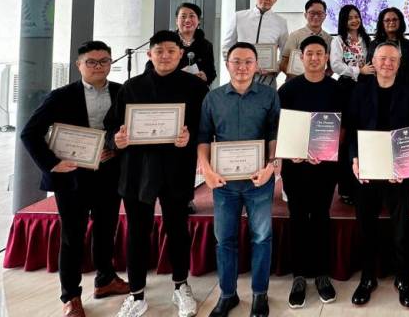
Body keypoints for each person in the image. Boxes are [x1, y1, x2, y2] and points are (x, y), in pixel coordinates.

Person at [21, 41, 129, 317]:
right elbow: (30, 133)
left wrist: (116, 148)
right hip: (72, 177)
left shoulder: (121, 92)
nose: (98, 66)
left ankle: (105, 280)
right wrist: (52, 164)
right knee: (72, 236)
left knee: (107, 230)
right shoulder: (61, 96)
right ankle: (70, 296)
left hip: (108, 174)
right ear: (78, 65)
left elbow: (129, 130)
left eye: (104, 61)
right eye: (91, 62)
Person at [107, 30, 208, 317]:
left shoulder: (195, 87)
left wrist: (190, 138)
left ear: (180, 54)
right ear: (149, 54)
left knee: (177, 228)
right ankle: (137, 294)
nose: (165, 56)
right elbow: (112, 126)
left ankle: (181, 286)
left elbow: (205, 127)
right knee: (137, 232)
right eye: (159, 51)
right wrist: (118, 138)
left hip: (176, 167)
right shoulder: (131, 87)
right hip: (137, 170)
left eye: (171, 51)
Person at [197, 42, 281, 317]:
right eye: (236, 61)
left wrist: (271, 166)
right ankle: (227, 294)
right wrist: (206, 169)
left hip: (259, 181)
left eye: (248, 61)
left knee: (261, 238)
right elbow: (203, 137)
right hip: (224, 183)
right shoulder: (213, 98)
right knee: (225, 240)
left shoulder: (269, 96)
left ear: (256, 66)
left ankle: (260, 294)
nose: (242, 67)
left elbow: (273, 135)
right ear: (227, 64)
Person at [347, 42, 409, 308]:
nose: (387, 63)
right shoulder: (360, 90)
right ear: (373, 62)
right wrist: (354, 158)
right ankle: (368, 278)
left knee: (400, 229)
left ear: (399, 64)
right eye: (382, 59)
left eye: (393, 59)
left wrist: (408, 165)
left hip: (400, 172)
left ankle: (403, 279)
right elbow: (352, 128)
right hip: (367, 169)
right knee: (366, 226)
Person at [277, 36, 344, 308]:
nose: (314, 58)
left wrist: (328, 149)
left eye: (319, 53)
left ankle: (322, 274)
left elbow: (344, 127)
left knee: (321, 216)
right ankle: (299, 276)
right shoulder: (287, 90)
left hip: (325, 166)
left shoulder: (337, 89)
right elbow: (279, 127)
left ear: (327, 58)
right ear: (300, 57)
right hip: (295, 166)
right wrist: (289, 151)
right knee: (297, 217)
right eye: (309, 54)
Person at [330, 5, 374, 206]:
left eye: (357, 17)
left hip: (366, 90)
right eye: (350, 18)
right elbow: (336, 65)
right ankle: (346, 188)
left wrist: (365, 74)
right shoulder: (338, 40)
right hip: (346, 90)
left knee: (363, 135)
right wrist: (359, 70)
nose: (354, 20)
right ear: (343, 21)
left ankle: (364, 183)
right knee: (346, 139)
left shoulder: (366, 40)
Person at [223, 0, 289, 88]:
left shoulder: (281, 22)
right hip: (241, 74)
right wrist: (233, 67)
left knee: (266, 105)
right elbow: (227, 46)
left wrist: (274, 69)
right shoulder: (239, 17)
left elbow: (285, 53)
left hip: (267, 78)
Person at [280, 0, 333, 78]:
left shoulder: (329, 39)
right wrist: (300, 80)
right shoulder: (295, 36)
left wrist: (321, 78)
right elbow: (284, 63)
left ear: (325, 16)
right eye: (312, 13)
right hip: (296, 84)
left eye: (319, 13)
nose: (316, 17)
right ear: (305, 15)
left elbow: (331, 67)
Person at [371, 7, 409, 85]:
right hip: (380, 86)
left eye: (395, 19)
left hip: (405, 86)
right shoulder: (374, 44)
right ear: (382, 23)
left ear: (400, 22)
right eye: (387, 20)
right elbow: (371, 68)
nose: (391, 22)